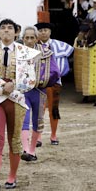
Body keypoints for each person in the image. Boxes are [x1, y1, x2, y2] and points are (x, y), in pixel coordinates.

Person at [0, 18, 42, 191]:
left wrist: (14, 85)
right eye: (3, 28)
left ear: (16, 32)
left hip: (16, 99)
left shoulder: (24, 52)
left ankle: (12, 177)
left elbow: (31, 80)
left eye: (10, 28)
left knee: (15, 140)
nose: (6, 31)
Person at [20, 26, 59, 162]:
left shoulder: (46, 52)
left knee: (37, 121)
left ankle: (32, 151)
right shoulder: (17, 52)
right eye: (27, 38)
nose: (29, 40)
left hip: (39, 91)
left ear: (36, 39)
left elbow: (55, 72)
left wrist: (43, 81)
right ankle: (25, 149)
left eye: (32, 38)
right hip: (23, 92)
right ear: (23, 39)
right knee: (24, 120)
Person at [36, 22, 73, 145]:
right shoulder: (34, 46)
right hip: (38, 83)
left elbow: (71, 51)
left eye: (45, 30)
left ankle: (53, 135)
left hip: (54, 82)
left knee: (54, 109)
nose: (43, 32)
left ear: (50, 32)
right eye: (40, 30)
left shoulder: (58, 45)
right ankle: (38, 136)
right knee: (39, 109)